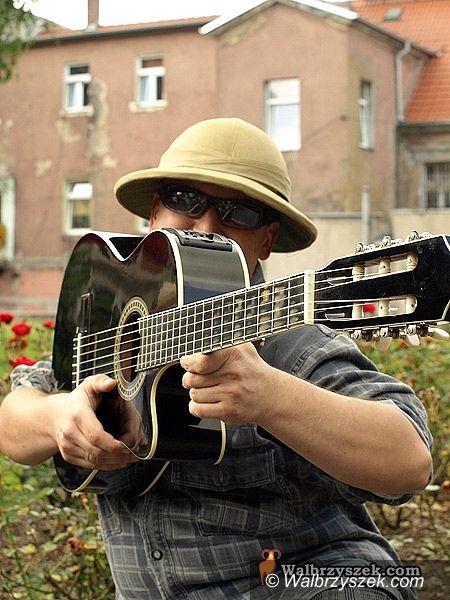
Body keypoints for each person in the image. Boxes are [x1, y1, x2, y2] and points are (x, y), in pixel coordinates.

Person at [0, 118, 432, 600]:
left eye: (238, 213)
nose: (205, 226)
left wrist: (272, 397)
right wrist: (58, 417)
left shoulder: (294, 343)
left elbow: (409, 462)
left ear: (266, 240)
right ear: (155, 213)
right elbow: (14, 422)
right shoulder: (110, 312)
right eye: (185, 200)